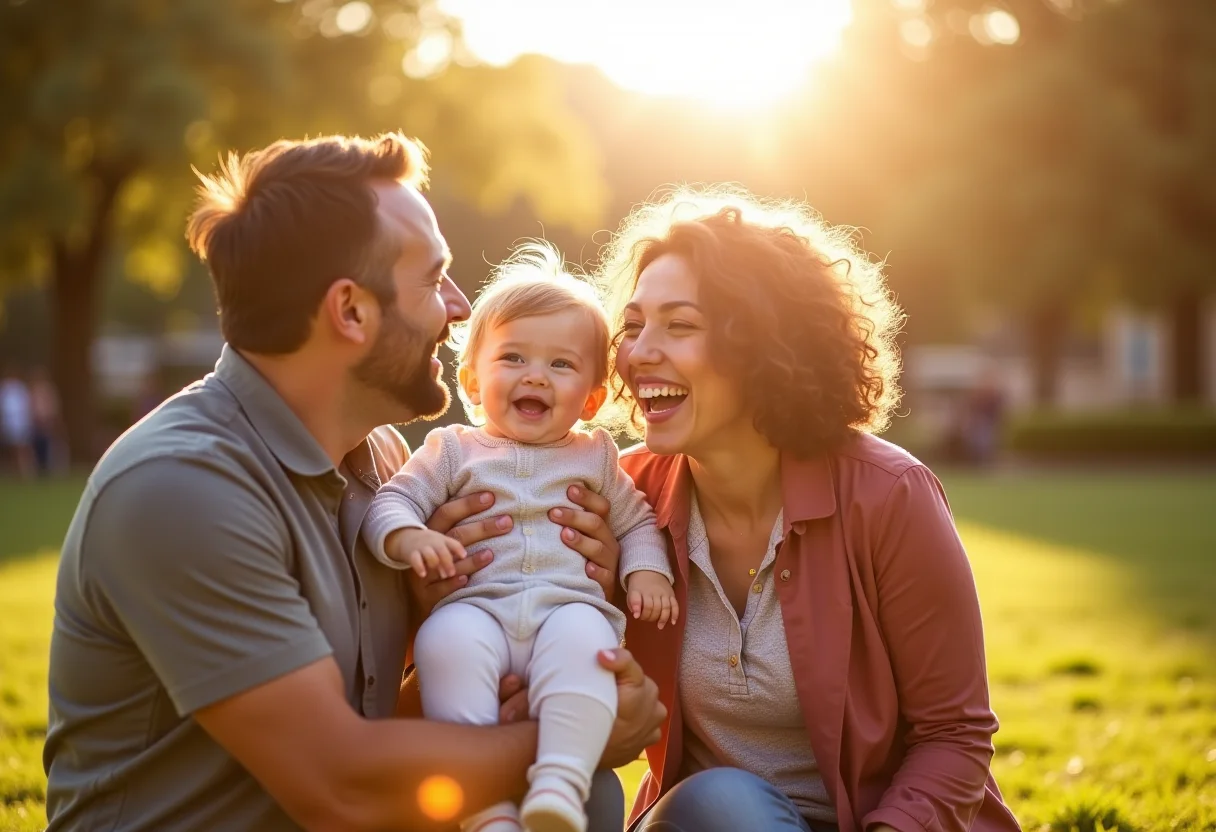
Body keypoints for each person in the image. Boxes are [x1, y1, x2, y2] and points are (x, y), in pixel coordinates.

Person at [43, 134, 663, 832]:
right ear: (351, 311)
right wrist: (573, 742)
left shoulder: (380, 462)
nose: (460, 309)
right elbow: (341, 788)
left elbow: (380, 719)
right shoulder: (181, 487)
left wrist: (537, 617)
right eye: (434, 280)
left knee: (593, 801)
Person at [574, 187, 1020, 832]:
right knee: (708, 800)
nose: (639, 351)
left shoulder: (889, 493)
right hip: (710, 822)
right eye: (635, 324)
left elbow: (954, 736)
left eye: (681, 324)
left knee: (718, 801)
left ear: (763, 346)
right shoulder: (623, 493)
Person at [364, 247, 676, 832]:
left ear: (592, 398)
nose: (535, 375)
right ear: (473, 381)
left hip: (565, 608)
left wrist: (646, 572)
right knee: (444, 648)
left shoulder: (598, 457)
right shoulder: (452, 450)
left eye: (561, 365)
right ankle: (484, 808)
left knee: (589, 651)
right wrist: (408, 540)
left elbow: (636, 523)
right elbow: (394, 501)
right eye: (513, 357)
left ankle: (559, 783)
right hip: (476, 608)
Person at [0, 363, 34, 478]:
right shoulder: (4, 388)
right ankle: (13, 472)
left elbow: (26, 405)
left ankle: (26, 471)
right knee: (11, 449)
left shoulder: (20, 388)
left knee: (22, 448)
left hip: (20, 422)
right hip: (9, 422)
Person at [29, 366, 64, 475]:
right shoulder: (33, 391)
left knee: (46, 444)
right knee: (37, 445)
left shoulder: (48, 390)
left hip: (46, 422)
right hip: (36, 422)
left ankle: (46, 467)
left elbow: (52, 406)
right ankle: (39, 467)